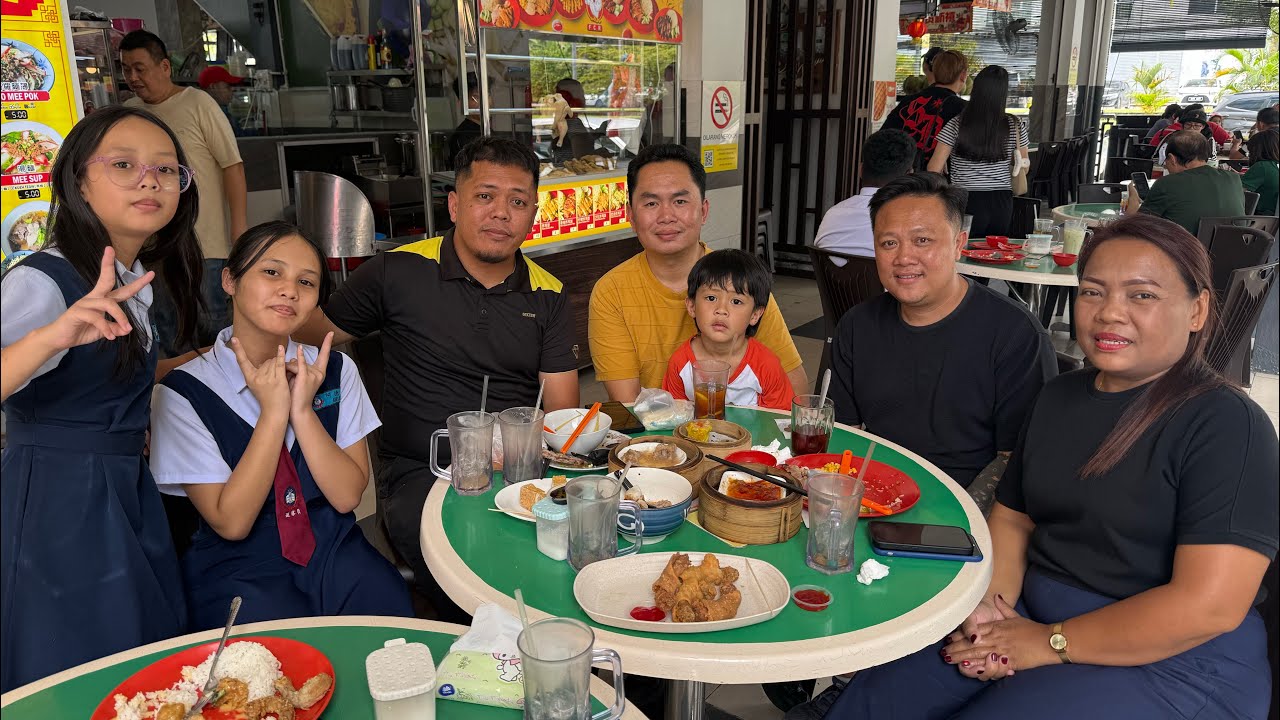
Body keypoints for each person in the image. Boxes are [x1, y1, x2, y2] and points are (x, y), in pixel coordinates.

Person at [823, 213, 1278, 720]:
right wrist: (989, 613)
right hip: (1032, 616)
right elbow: (1015, 517)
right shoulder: (1058, 397)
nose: (1110, 313)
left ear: (1197, 310)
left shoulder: (1226, 424)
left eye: (1142, 295)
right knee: (872, 699)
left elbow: (1207, 606)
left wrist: (1048, 642)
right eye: (1092, 292)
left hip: (1176, 663)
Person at [781, 173, 1055, 719]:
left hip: (962, 522)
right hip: (869, 503)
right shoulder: (859, 326)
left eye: (923, 240)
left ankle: (853, 690)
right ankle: (806, 665)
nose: (904, 257)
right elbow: (844, 440)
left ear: (958, 242)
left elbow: (1017, 465)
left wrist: (945, 528)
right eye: (888, 243)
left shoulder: (1013, 335)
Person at [294, 136, 579, 620]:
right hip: (421, 473)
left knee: (572, 558)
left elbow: (563, 415)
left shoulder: (548, 293)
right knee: (479, 577)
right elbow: (312, 332)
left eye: (517, 202)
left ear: (533, 213)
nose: (501, 213)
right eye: (485, 197)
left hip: (517, 470)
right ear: (454, 204)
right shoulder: (397, 271)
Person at [0, 105, 204, 691]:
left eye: (168, 170)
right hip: (59, 505)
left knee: (136, 658)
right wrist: (51, 335)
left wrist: (183, 366)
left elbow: (97, 381)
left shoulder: (127, 275)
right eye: (124, 164)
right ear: (78, 181)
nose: (150, 180)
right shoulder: (44, 280)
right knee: (76, 667)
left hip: (121, 490)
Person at [149, 222, 413, 630]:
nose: (289, 289)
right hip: (238, 568)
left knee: (394, 637)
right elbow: (231, 522)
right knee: (265, 672)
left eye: (306, 281)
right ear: (230, 280)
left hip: (336, 551)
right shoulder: (182, 393)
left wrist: (303, 412)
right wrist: (274, 413)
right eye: (271, 272)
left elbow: (345, 497)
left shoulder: (336, 370)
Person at [589, 143, 807, 402]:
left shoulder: (741, 282)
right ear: (631, 216)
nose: (666, 216)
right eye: (650, 203)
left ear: (703, 210)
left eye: (680, 201)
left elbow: (797, 393)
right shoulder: (611, 292)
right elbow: (631, 407)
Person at [121, 30, 246, 355]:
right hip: (155, 247)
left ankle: (226, 400)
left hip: (207, 246)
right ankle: (182, 402)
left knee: (213, 330)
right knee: (168, 331)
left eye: (140, 68)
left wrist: (239, 230)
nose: (133, 77)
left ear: (164, 67)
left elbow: (233, 166)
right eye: (126, 69)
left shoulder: (197, 102)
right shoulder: (131, 112)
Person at [661, 249, 795, 411]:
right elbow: (672, 419)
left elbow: (778, 420)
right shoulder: (680, 363)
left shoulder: (766, 365)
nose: (721, 309)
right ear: (691, 306)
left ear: (755, 314)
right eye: (711, 298)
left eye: (736, 301)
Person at [928, 65, 1030, 238]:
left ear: (976, 89)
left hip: (965, 200)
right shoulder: (1015, 125)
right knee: (993, 253)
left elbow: (933, 169)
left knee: (961, 251)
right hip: (1001, 202)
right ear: (1003, 93)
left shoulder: (956, 124)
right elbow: (1025, 166)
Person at [814, 128, 916, 264]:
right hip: (889, 285)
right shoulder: (910, 219)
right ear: (908, 176)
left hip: (834, 285)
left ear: (861, 170)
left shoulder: (833, 214)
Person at [1128, 130, 1245, 234]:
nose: (1166, 166)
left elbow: (1137, 228)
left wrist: (1132, 204)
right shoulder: (1234, 179)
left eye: (1165, 162)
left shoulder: (1167, 183)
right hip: (1233, 254)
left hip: (1183, 255)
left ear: (1172, 159)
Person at [882, 50, 968, 169]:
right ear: (963, 76)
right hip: (937, 182)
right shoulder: (965, 109)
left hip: (900, 176)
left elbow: (883, 138)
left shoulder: (908, 101)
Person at [448, 72, 487, 165]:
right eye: (476, 97)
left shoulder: (486, 130)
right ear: (462, 104)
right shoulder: (462, 137)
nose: (485, 102)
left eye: (487, 95)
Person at [198, 65, 245, 136]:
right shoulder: (212, 116)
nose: (231, 91)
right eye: (228, 87)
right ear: (213, 87)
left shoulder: (221, 112)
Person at [1241, 128, 1278, 216]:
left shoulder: (1262, 167)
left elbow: (1238, 191)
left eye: (1249, 151)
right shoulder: (1273, 166)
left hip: (1263, 218)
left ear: (1256, 150)